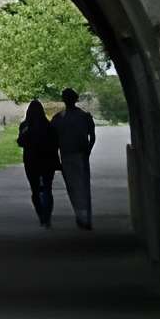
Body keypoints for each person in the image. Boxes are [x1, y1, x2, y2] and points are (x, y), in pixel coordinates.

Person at [57, 88, 97, 230]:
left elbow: (53, 140)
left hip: (67, 155)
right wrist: (88, 151)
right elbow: (92, 136)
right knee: (83, 186)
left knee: (72, 187)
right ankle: (85, 216)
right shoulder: (84, 116)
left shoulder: (59, 118)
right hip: (80, 154)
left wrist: (57, 159)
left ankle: (81, 216)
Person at [17, 98, 59, 227]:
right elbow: (55, 144)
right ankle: (47, 216)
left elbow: (20, 142)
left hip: (31, 161)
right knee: (47, 188)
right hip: (47, 161)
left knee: (35, 190)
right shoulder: (48, 125)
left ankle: (41, 215)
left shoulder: (25, 126)